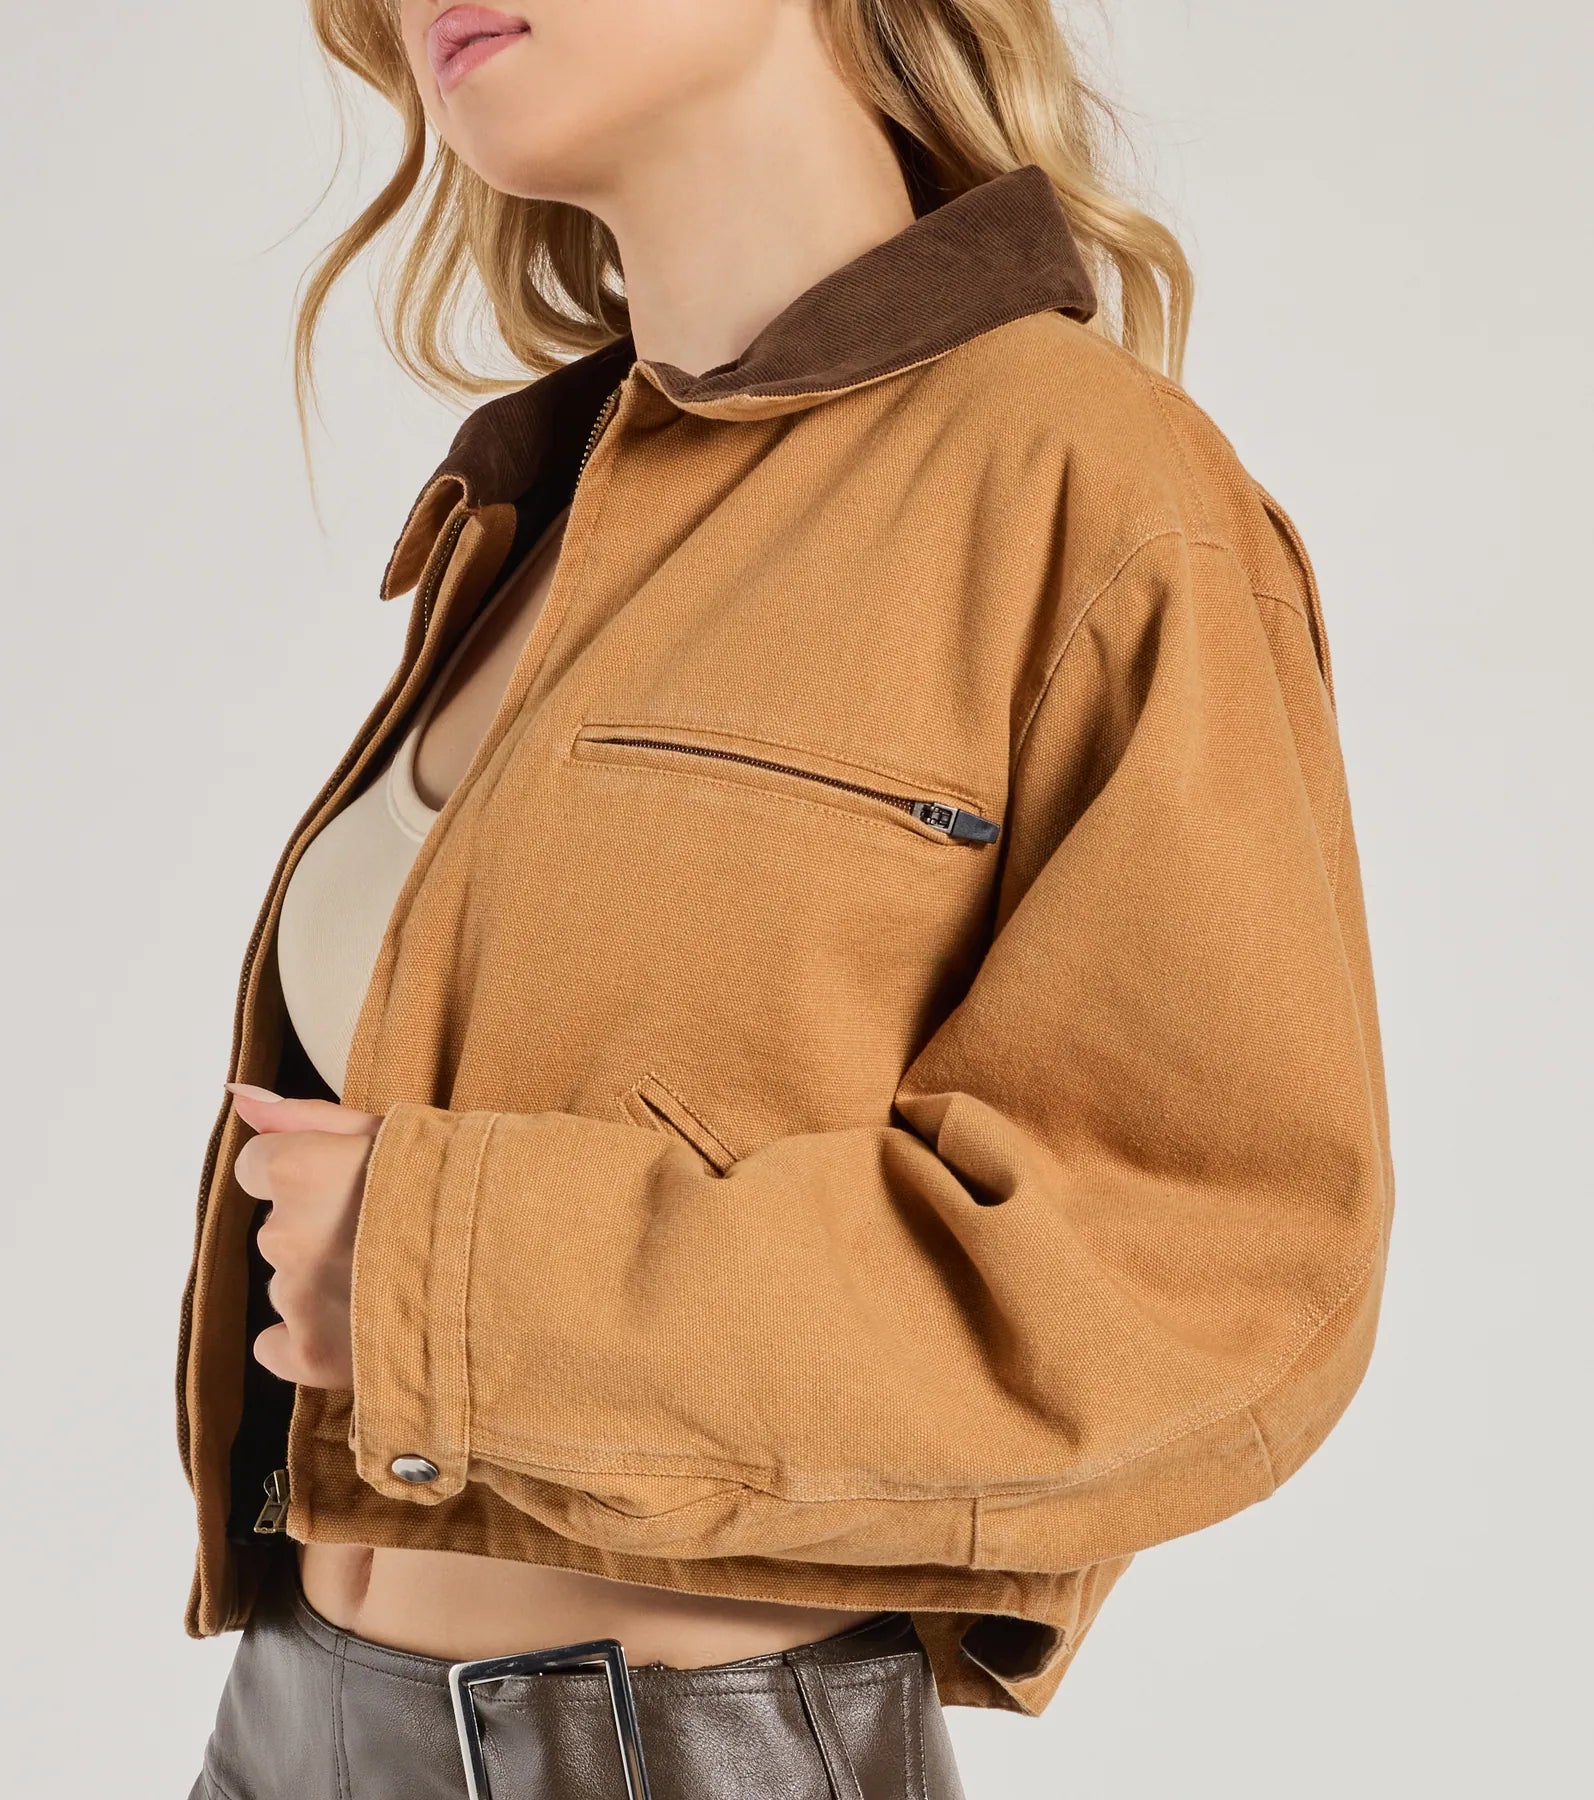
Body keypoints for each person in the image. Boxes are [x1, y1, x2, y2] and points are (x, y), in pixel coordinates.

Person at [179, 3, 1392, 1795]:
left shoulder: (1087, 486)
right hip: (288, 1728)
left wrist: (456, 1278)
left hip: (669, 1752)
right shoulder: (548, 500)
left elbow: (1206, 1269)